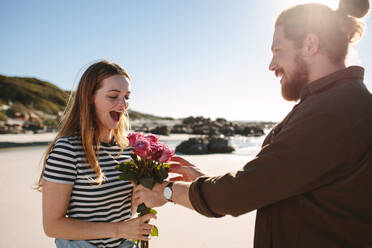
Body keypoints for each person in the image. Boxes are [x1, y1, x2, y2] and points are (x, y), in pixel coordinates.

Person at [132, 0, 372, 247]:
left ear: (310, 45)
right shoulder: (338, 102)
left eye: (277, 50)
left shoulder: (332, 112)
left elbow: (239, 193)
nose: (271, 65)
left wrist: (166, 191)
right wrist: (202, 181)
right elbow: (270, 183)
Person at [37, 60, 156, 248]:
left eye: (127, 96)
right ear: (90, 97)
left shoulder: (129, 149)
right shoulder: (68, 150)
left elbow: (125, 212)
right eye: (113, 96)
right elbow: (52, 226)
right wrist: (118, 230)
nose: (123, 104)